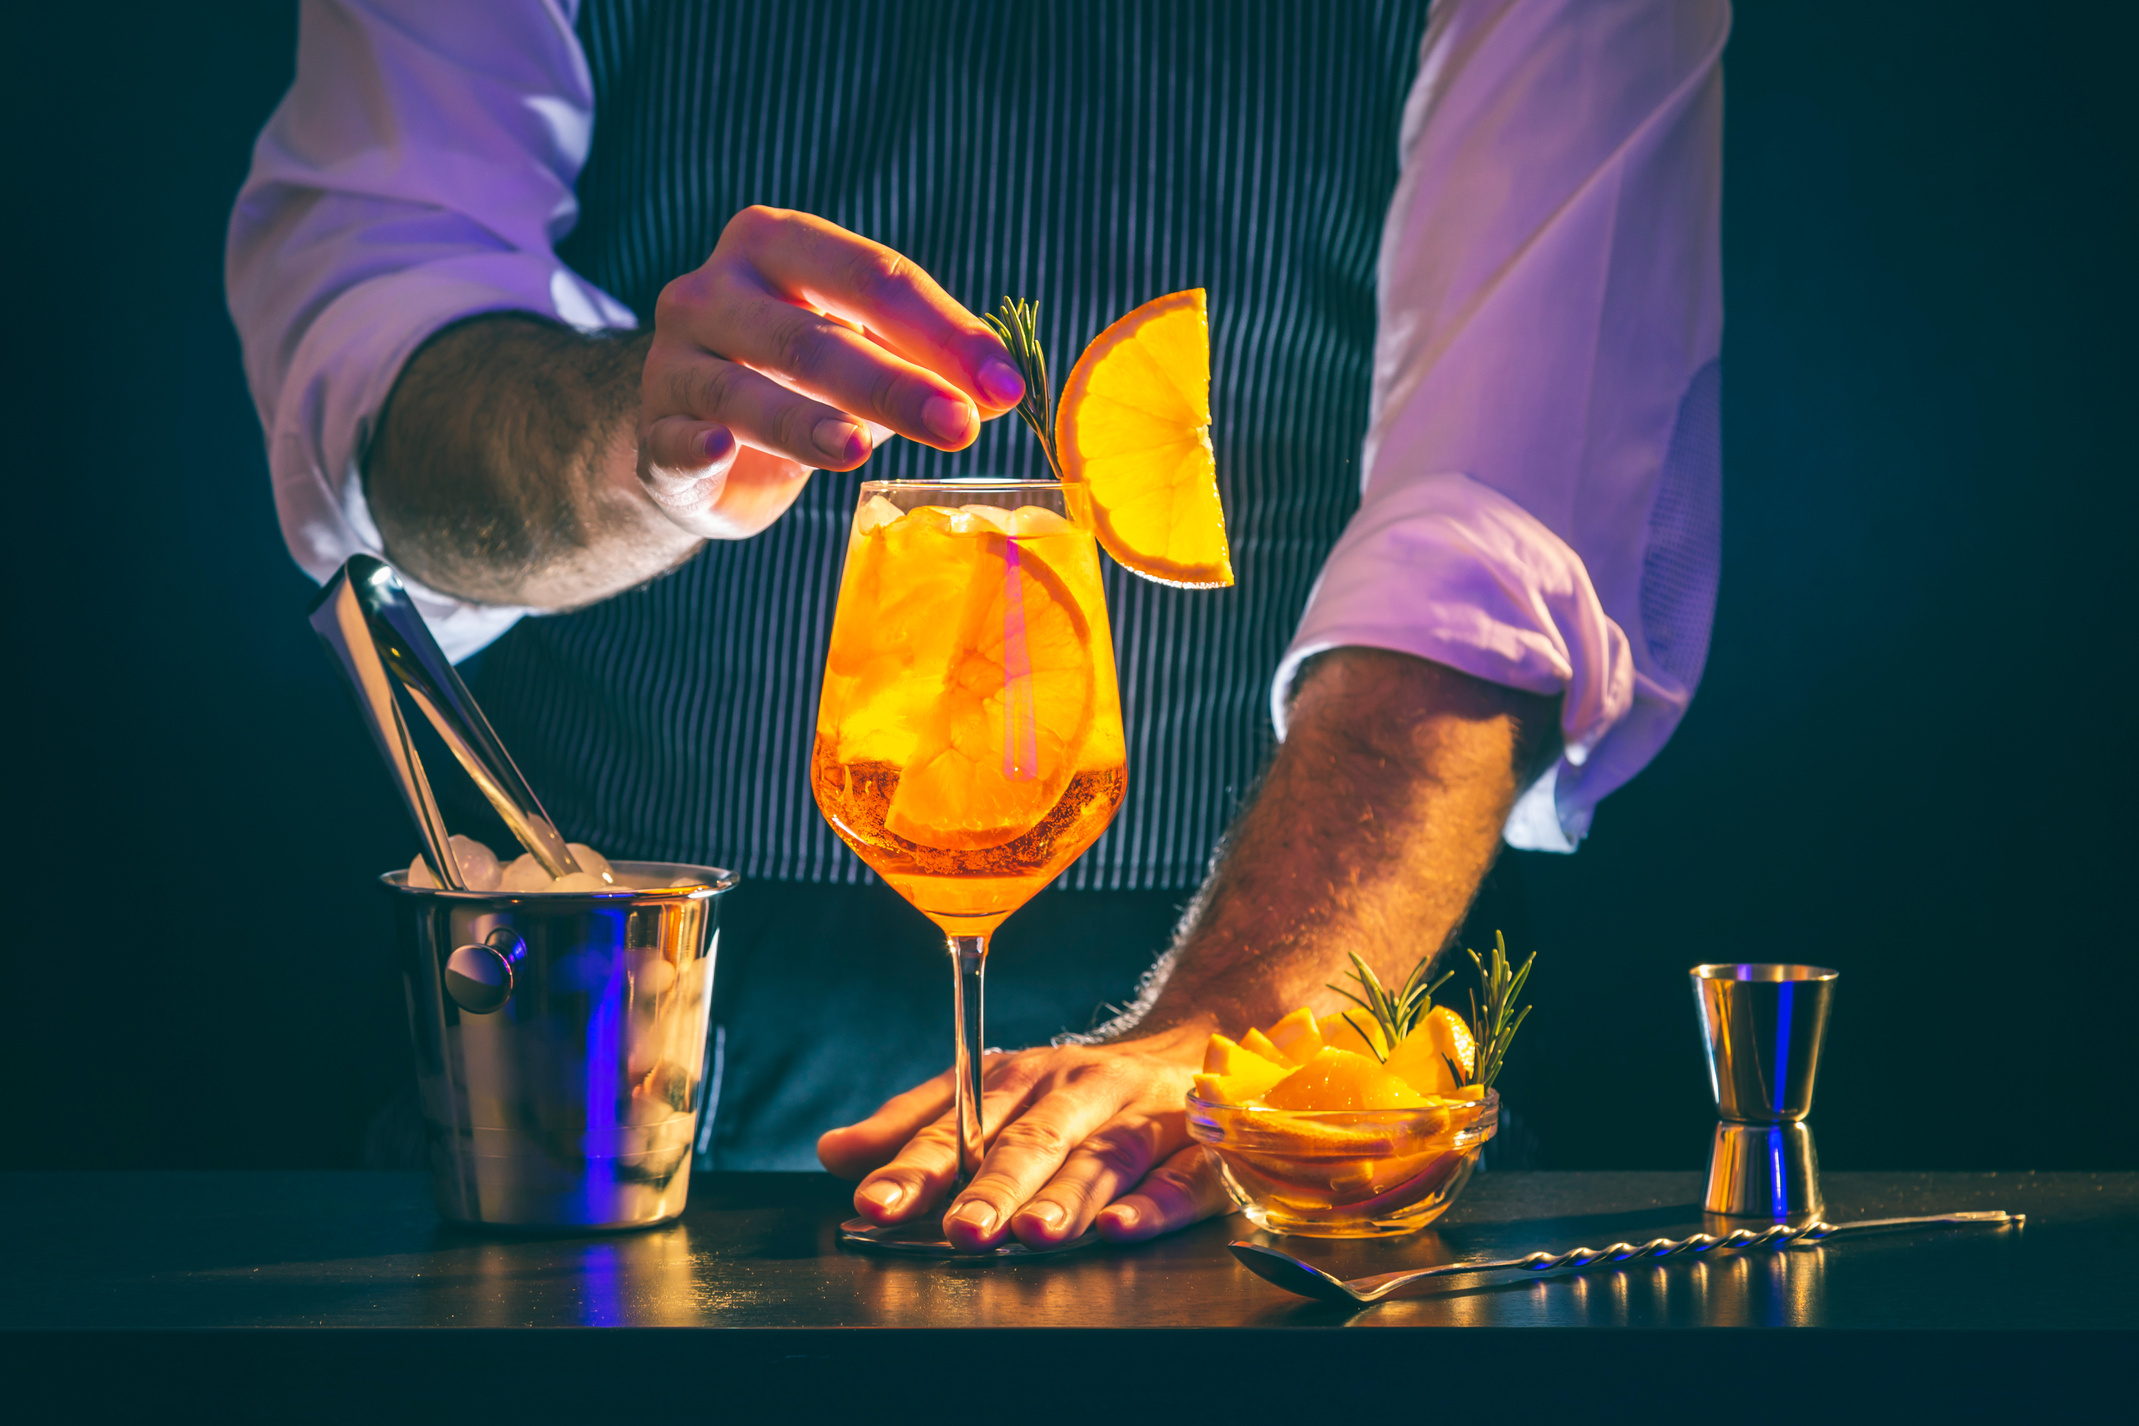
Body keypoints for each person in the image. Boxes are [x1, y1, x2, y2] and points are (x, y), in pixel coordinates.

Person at [228, 0, 1725, 1251]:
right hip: (644, 1038)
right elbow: (378, 345)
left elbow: (1511, 510)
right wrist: (635, 431)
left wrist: (1246, 1033)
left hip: (1292, 1001)